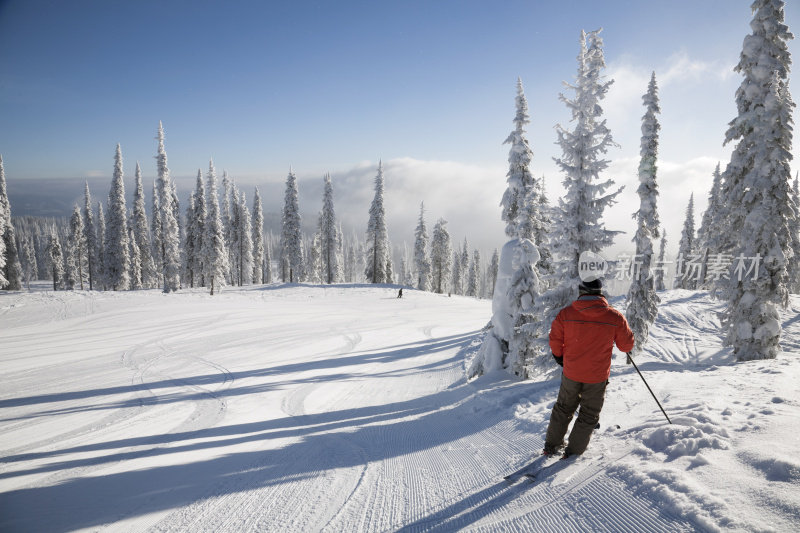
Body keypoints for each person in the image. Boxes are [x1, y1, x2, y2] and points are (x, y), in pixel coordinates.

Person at [543, 278, 635, 458]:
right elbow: (626, 346)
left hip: (571, 373)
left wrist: (560, 358)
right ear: (600, 293)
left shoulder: (566, 314)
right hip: (597, 376)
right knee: (589, 413)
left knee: (563, 408)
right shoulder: (614, 317)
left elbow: (555, 340)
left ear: (581, 292)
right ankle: (574, 451)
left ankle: (551, 445)